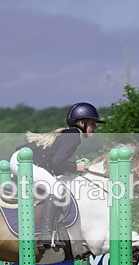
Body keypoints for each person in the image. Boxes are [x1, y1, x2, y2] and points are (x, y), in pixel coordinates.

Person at [9, 102, 103, 248]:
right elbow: (58, 162)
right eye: (92, 123)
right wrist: (76, 166)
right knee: (57, 189)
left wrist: (73, 168)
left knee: (56, 187)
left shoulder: (70, 134)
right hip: (26, 162)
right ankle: (46, 235)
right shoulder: (74, 136)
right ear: (81, 123)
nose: (95, 128)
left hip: (23, 160)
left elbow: (55, 164)